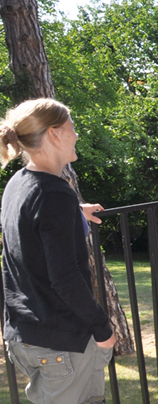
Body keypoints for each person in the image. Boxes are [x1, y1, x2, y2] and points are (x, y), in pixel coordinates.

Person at [1, 99, 117, 404]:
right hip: (63, 342)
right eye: (72, 127)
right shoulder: (54, 193)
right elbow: (64, 278)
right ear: (54, 134)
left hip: (26, 335)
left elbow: (32, 229)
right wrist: (103, 328)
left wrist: (75, 213)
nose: (76, 135)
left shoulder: (18, 184)